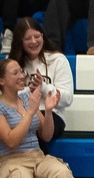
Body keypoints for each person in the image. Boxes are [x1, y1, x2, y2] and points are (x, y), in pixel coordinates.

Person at [0, 56, 75, 178]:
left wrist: (48, 111)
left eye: (21, 71)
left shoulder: (26, 98)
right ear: (1, 80)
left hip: (37, 156)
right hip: (11, 160)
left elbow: (46, 135)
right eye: (15, 72)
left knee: (61, 172)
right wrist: (32, 110)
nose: (21, 75)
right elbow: (11, 141)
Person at [10, 17, 73, 148]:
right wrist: (29, 90)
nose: (33, 42)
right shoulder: (11, 63)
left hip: (51, 114)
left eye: (37, 36)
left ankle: (35, 164)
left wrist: (43, 87)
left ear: (43, 36)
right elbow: (6, 95)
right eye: (28, 39)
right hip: (18, 112)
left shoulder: (58, 60)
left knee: (32, 124)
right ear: (19, 41)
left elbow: (67, 99)